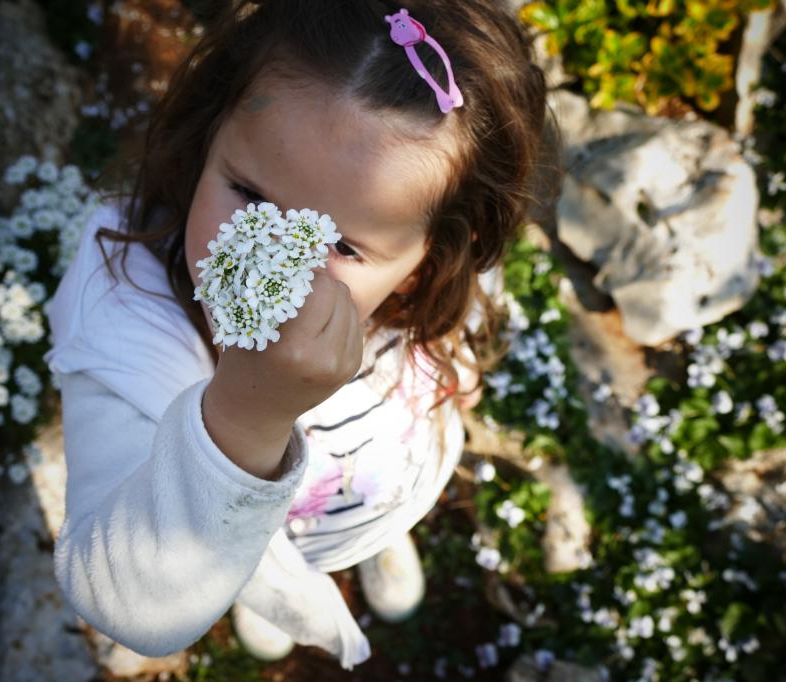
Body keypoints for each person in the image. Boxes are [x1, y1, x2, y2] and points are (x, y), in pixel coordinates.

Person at [43, 0, 561, 670]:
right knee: (254, 569)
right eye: (251, 197)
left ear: (426, 263)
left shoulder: (428, 274)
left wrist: (451, 366)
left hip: (383, 476)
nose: (276, 264)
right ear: (208, 134)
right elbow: (130, 604)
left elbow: (457, 312)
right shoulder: (125, 312)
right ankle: (267, 594)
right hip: (243, 540)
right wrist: (247, 414)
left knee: (373, 518)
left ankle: (374, 540)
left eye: (341, 245)